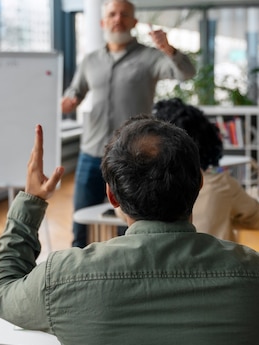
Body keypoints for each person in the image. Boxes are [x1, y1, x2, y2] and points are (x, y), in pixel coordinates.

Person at [0, 118, 259, 345]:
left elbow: (2, 292)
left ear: (112, 196)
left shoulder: (64, 278)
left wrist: (30, 202)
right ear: (198, 185)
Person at [61, 0, 196, 248]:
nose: (117, 19)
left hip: (132, 157)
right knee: (82, 221)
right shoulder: (90, 60)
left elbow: (185, 73)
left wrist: (168, 48)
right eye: (112, 14)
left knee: (132, 224)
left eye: (124, 14)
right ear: (103, 22)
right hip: (91, 153)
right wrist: (68, 102)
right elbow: (75, 92)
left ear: (134, 22)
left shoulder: (151, 56)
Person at [152, 98, 259, 241]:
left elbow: (125, 212)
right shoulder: (222, 184)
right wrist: (228, 217)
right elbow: (257, 218)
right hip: (215, 260)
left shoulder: (148, 187)